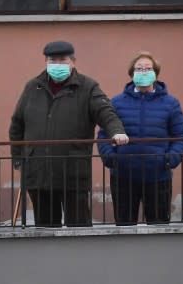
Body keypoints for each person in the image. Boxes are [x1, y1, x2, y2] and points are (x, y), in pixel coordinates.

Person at [9, 40, 129, 227]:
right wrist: (18, 157)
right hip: (38, 172)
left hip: (73, 172)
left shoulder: (88, 87)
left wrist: (117, 132)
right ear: (46, 62)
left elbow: (106, 113)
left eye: (62, 60)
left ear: (73, 62)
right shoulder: (33, 87)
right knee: (45, 230)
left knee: (78, 228)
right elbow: (17, 124)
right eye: (52, 60)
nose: (57, 65)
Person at [98, 51, 183, 225]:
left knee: (159, 225)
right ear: (131, 74)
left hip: (158, 175)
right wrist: (111, 158)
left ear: (156, 73)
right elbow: (104, 134)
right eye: (139, 69)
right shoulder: (116, 102)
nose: (143, 72)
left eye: (148, 69)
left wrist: (170, 159)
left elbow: (181, 136)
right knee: (124, 225)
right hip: (123, 175)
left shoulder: (171, 103)